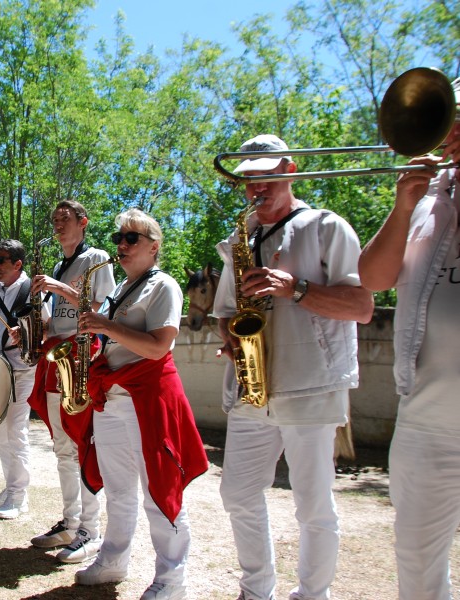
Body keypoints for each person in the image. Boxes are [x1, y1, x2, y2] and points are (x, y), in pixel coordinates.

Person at [212, 134, 374, 600]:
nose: (254, 188)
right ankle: (257, 590)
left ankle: (312, 594)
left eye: (264, 176)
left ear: (290, 170)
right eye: (248, 180)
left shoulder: (327, 226)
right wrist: (234, 342)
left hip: (311, 382)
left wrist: (296, 289)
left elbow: (362, 306)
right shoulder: (240, 238)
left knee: (313, 506)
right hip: (252, 387)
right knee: (237, 494)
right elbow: (226, 313)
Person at [357, 78, 460, 600]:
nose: (451, 133)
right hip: (426, 420)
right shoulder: (426, 201)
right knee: (417, 564)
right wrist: (403, 205)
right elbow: (373, 278)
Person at [75, 208, 208, 599]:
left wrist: (105, 326)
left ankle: (172, 580)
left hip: (148, 397)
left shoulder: (164, 285)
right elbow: (115, 342)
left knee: (159, 490)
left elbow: (158, 347)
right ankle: (113, 560)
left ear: (154, 246)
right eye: (119, 237)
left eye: (131, 238)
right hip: (113, 397)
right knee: (118, 489)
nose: (121, 244)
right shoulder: (119, 290)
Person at [26, 199, 115, 564]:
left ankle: (90, 532)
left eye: (65, 220)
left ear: (83, 222)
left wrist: (59, 289)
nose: (58, 226)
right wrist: (28, 330)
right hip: (55, 355)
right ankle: (71, 520)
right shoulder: (61, 264)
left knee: (81, 444)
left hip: (80, 354)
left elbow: (104, 309)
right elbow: (53, 319)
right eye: (55, 220)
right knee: (62, 447)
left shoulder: (96, 258)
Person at [0, 239, 36, 519]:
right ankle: (10, 488)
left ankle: (19, 496)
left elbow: (43, 331)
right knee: (1, 434)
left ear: (18, 264)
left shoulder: (31, 291)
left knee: (15, 433)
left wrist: (24, 333)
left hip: (20, 371)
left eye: (2, 260)